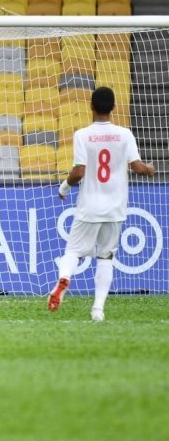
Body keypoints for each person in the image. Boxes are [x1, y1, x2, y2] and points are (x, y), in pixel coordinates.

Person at [49, 87, 155, 321]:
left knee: (74, 251)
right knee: (106, 257)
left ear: (91, 106)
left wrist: (64, 187)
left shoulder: (82, 135)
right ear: (114, 107)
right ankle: (98, 309)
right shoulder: (125, 134)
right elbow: (137, 167)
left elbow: (78, 172)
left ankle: (64, 278)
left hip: (89, 205)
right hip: (115, 207)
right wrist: (148, 169)